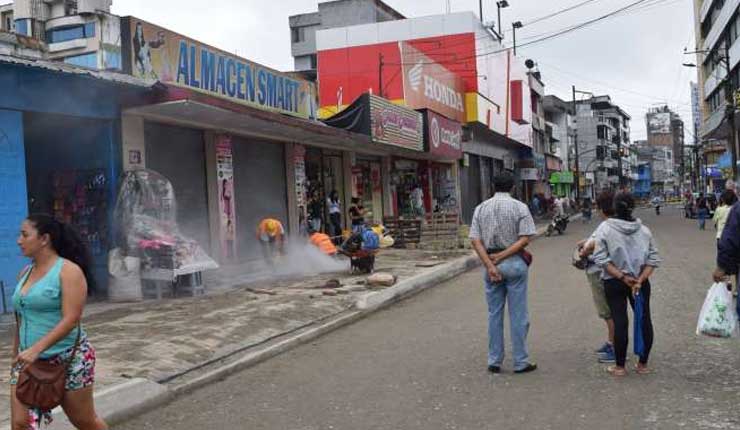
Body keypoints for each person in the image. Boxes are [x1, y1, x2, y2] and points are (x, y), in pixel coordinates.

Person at [11, 214, 108, 430]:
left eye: (25, 235)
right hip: (28, 361)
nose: (19, 240)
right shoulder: (24, 274)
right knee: (20, 423)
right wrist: (15, 355)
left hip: (69, 359)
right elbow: (21, 317)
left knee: (85, 421)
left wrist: (36, 349)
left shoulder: (68, 272)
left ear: (44, 239)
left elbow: (71, 319)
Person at [469, 174, 538, 374]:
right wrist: (504, 255)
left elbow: (475, 240)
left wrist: (491, 264)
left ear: (493, 186)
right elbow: (525, 239)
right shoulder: (520, 207)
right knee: (518, 315)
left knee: (494, 314)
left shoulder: (481, 208)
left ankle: (494, 360)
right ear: (513, 188)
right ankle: (520, 361)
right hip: (515, 263)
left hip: (490, 263)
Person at [592, 192, 661, 376]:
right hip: (640, 282)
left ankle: (620, 366)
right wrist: (640, 279)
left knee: (620, 320)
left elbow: (601, 258)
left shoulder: (605, 229)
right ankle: (642, 365)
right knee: (644, 319)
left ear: (615, 208)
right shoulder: (644, 231)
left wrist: (622, 277)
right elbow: (653, 259)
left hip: (614, 281)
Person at [576, 191, 617, 363]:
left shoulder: (607, 225)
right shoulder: (614, 223)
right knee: (610, 311)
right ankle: (611, 342)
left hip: (599, 271)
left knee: (607, 311)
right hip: (605, 270)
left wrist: (584, 249)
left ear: (601, 208)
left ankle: (614, 346)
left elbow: (594, 245)